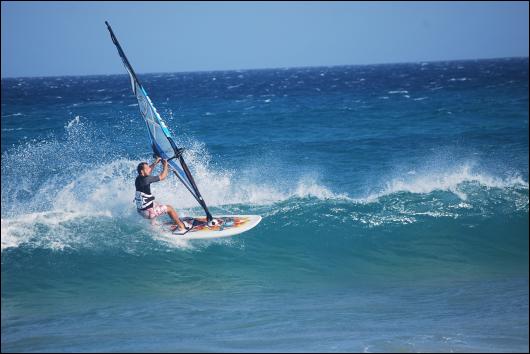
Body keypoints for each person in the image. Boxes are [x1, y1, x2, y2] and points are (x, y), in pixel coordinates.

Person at [135, 157, 189, 232]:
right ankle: (181, 227)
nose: (149, 169)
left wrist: (155, 163)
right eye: (147, 169)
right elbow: (162, 177)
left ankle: (153, 224)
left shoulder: (138, 178)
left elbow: (148, 170)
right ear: (142, 171)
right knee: (170, 208)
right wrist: (165, 165)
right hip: (147, 213)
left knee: (156, 203)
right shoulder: (147, 179)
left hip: (141, 211)